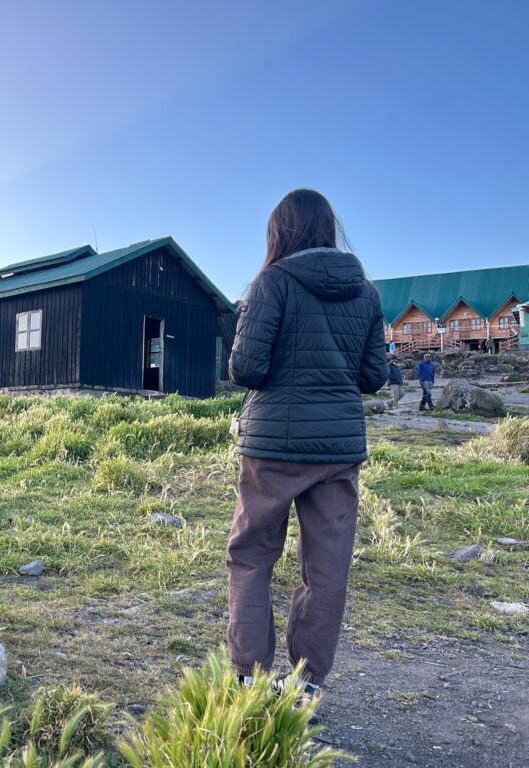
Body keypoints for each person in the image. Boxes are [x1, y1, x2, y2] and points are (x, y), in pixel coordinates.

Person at [226, 189, 387, 703]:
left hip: (272, 446)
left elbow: (246, 368)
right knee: (327, 567)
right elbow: (374, 376)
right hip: (337, 450)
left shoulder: (272, 282)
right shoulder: (366, 293)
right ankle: (306, 685)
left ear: (280, 231)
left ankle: (249, 678)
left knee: (252, 555)